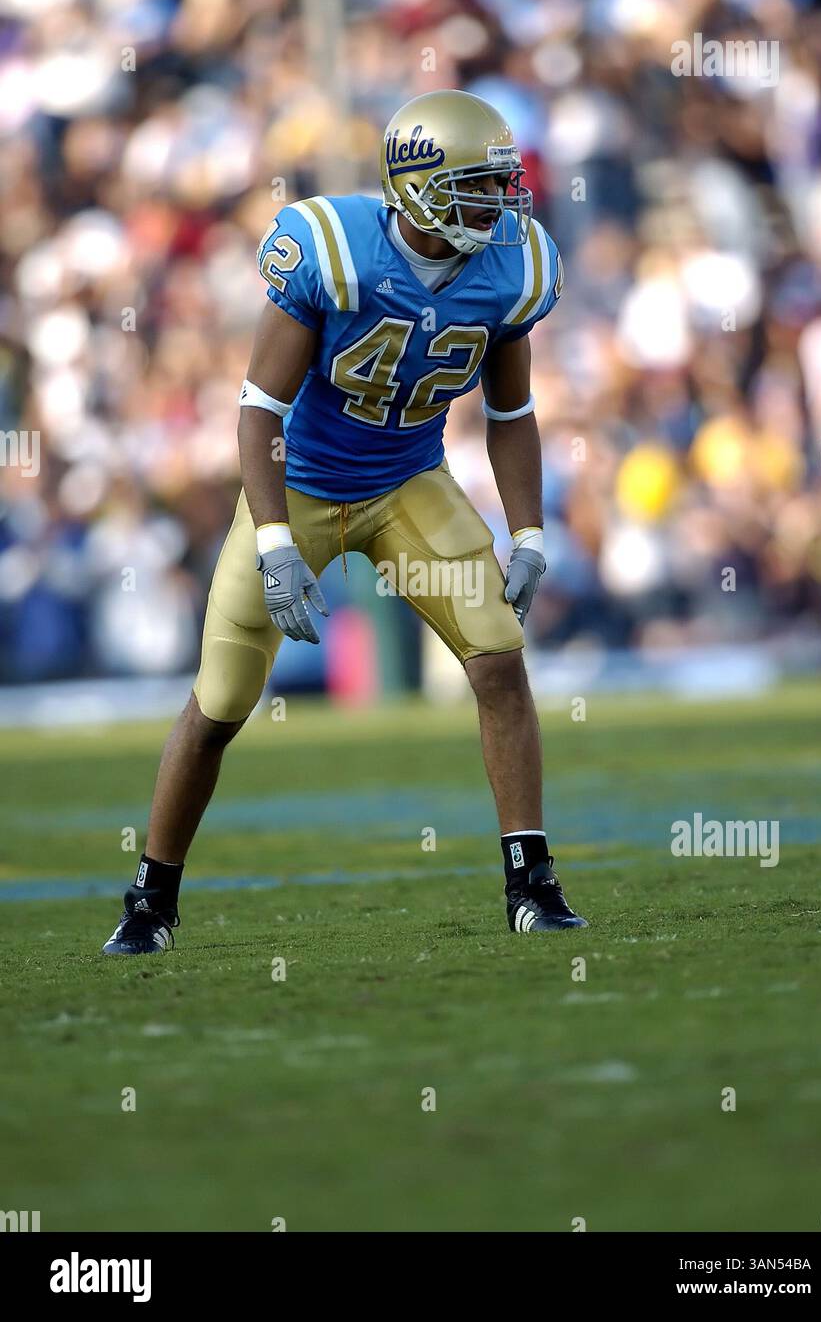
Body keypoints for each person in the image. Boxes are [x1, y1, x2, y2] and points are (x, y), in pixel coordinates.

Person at [102, 89, 588, 954]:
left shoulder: (513, 267)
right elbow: (258, 410)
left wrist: (529, 532)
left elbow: (511, 415)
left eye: (501, 184)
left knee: (499, 666)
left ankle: (531, 884)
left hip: (410, 481)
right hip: (301, 487)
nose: (500, 203)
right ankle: (150, 899)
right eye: (478, 185)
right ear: (421, 187)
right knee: (219, 704)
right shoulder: (333, 248)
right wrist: (275, 542)